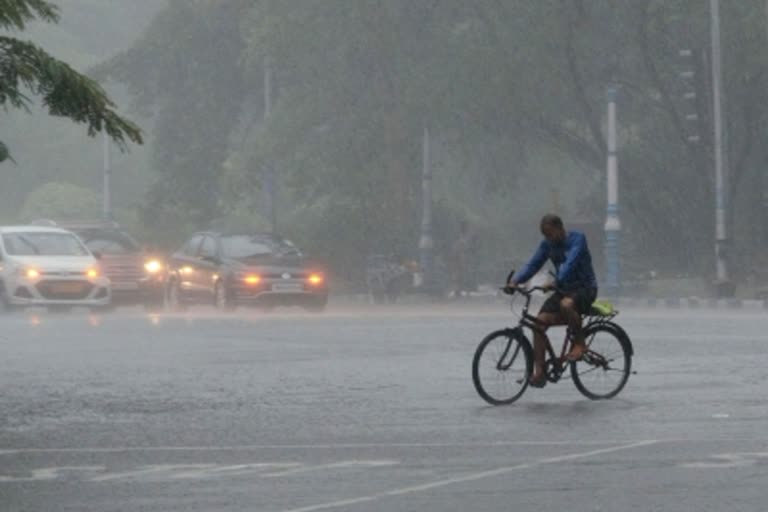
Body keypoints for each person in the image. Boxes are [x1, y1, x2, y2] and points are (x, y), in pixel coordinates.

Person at [507, 214, 598, 387]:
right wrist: (515, 282)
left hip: (585, 289)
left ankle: (580, 344)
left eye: (550, 234)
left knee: (566, 304)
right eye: (545, 235)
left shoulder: (577, 239)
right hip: (562, 289)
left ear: (560, 228)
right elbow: (533, 264)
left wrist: (556, 281)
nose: (548, 238)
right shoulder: (547, 245)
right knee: (539, 323)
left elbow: (570, 263)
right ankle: (539, 373)